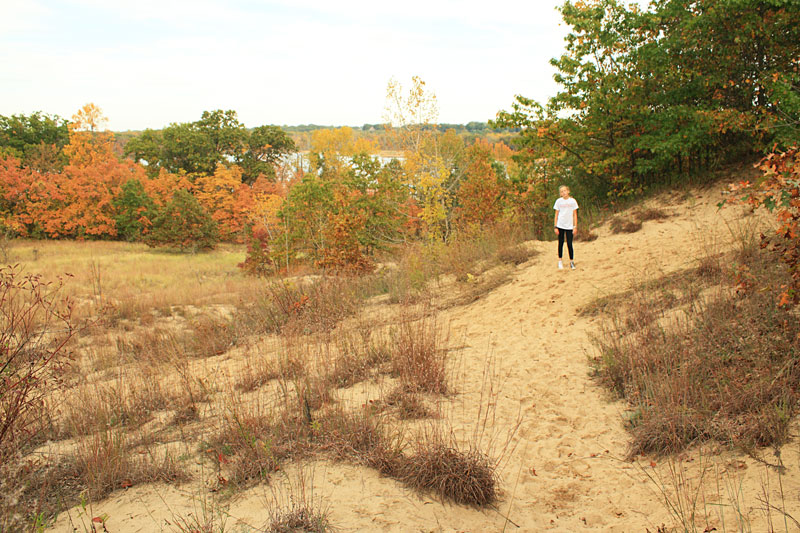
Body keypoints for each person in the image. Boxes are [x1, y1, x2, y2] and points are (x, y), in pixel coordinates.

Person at [553, 185, 578, 270]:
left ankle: (571, 261)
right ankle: (560, 260)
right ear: (560, 194)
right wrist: (555, 226)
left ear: (568, 191)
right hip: (560, 225)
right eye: (562, 191)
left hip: (569, 225)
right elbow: (556, 214)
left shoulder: (573, 201)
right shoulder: (558, 201)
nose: (564, 193)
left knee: (569, 244)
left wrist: (575, 226)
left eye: (565, 191)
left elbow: (575, 214)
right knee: (560, 243)